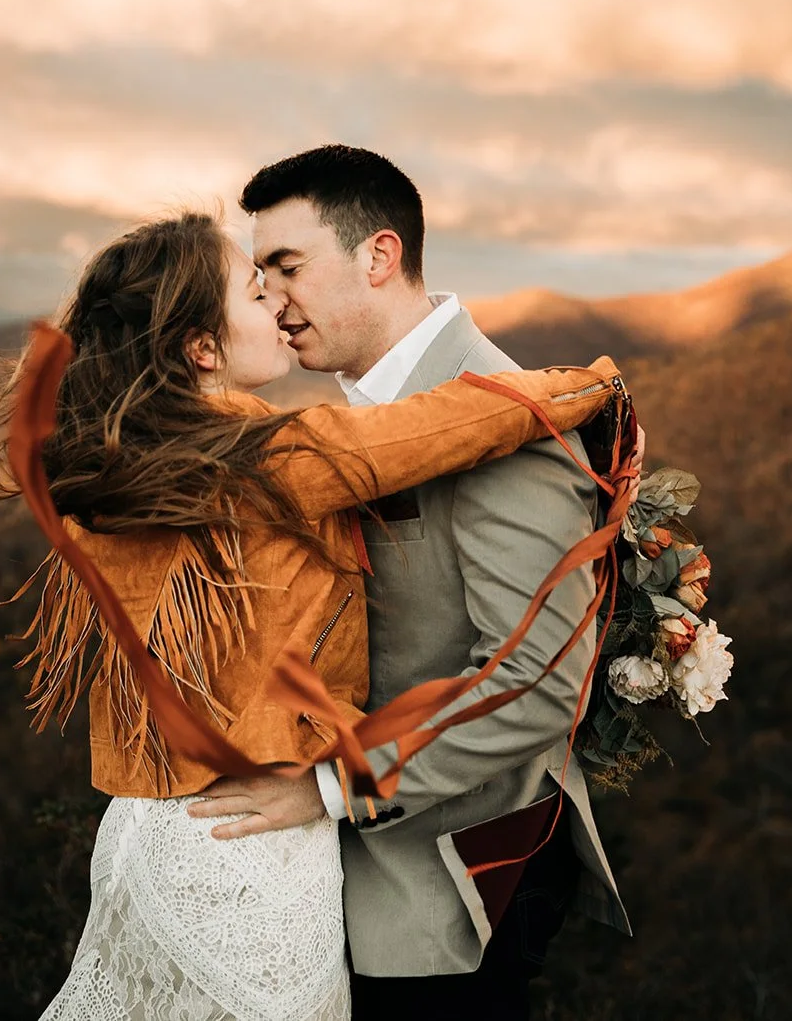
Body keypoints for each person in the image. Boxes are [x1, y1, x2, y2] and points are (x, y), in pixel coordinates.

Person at [0, 208, 628, 1020]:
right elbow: (437, 426)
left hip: (150, 828)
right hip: (253, 844)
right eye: (256, 292)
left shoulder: (110, 474)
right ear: (201, 348)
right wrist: (589, 384)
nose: (279, 308)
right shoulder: (262, 461)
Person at [187, 146, 634, 1019]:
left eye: (288, 267)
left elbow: (538, 684)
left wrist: (322, 788)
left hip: (445, 892)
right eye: (262, 275)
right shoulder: (359, 417)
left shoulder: (509, 419)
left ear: (379, 257)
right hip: (357, 878)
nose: (272, 300)